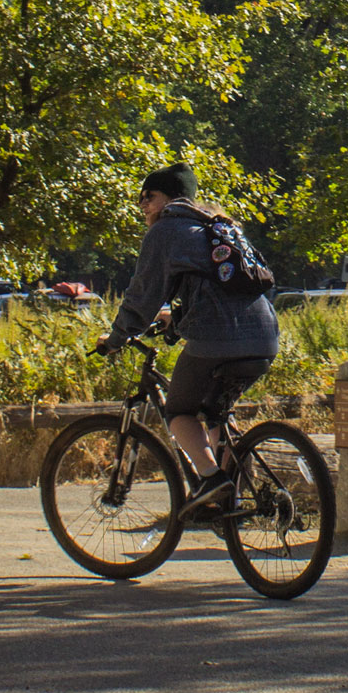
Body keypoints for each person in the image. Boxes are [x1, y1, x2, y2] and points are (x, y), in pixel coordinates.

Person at [98, 163, 278, 522]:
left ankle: (211, 481)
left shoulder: (166, 230)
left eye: (148, 197)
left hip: (216, 340)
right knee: (214, 413)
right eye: (139, 200)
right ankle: (229, 499)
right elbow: (223, 291)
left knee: (178, 412)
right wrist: (176, 320)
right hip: (264, 336)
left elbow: (141, 298)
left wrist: (117, 338)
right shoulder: (221, 226)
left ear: (170, 198)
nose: (143, 205)